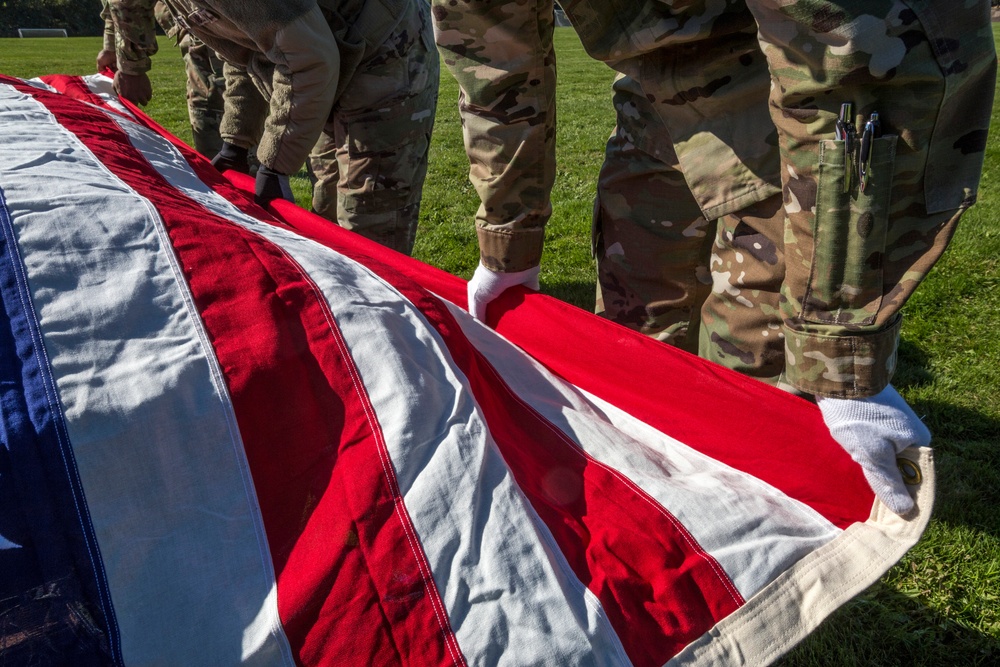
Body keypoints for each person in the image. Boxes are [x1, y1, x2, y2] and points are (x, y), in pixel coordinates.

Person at [433, 1, 996, 514]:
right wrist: (509, 239)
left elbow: (860, 57)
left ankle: (755, 560)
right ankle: (654, 526)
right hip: (659, 96)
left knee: (759, 410)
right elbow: (494, 67)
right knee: (632, 356)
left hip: (800, 97)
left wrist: (839, 350)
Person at [105, 0, 439, 256]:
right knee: (327, 217)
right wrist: (237, 141)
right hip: (328, 52)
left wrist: (274, 163)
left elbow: (310, 59)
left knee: (368, 226)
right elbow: (247, 51)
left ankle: (389, 337)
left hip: (385, 51)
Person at [98, 0, 227, 158]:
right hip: (209, 19)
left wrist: (131, 66)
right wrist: (112, 43)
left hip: (215, 20)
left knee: (222, 108)